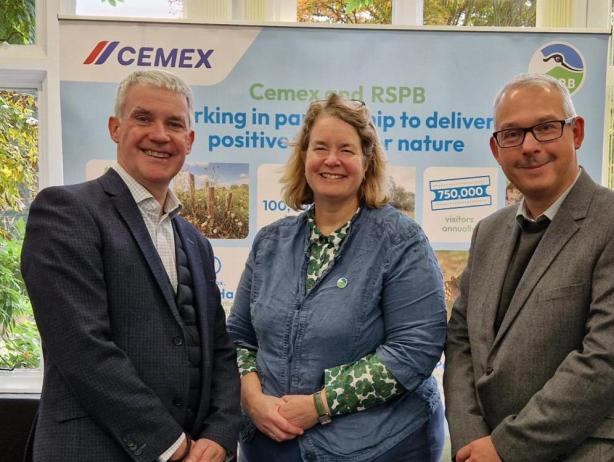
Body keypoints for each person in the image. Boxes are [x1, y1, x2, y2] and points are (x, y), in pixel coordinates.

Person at [444, 73, 614, 462]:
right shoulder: (489, 232)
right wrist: (471, 441)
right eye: (512, 134)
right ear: (497, 149)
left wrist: (505, 448)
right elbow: (462, 340)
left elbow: (607, 360)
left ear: (576, 133)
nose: (529, 146)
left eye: (546, 128)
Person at [21, 70, 241, 462]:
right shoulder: (67, 212)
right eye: (143, 118)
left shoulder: (196, 242)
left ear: (189, 141)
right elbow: (81, 345)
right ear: (115, 128)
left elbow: (219, 349)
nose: (159, 134)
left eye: (174, 124)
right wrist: (171, 445)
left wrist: (220, 433)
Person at [227, 94, 447, 461]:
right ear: (304, 158)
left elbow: (416, 348)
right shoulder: (270, 242)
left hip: (379, 447)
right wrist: (251, 399)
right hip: (269, 445)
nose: (332, 160)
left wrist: (321, 404)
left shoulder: (401, 241)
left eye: (346, 149)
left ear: (366, 161)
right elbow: (239, 337)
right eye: (320, 148)